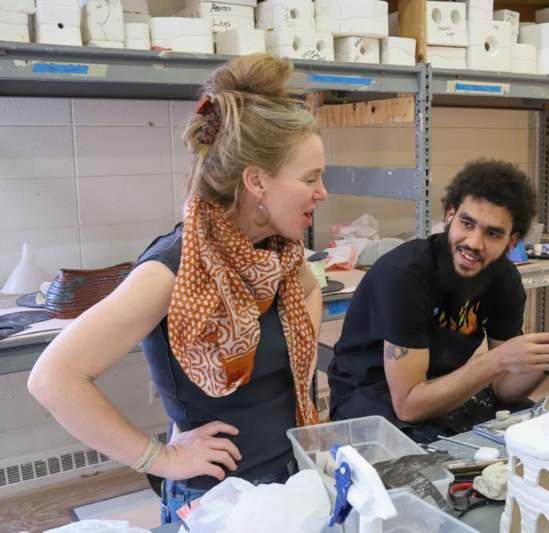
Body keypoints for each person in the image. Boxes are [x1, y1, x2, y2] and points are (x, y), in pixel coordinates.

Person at [27, 53, 328, 524]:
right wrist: (160, 458)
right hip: (219, 505)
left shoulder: (277, 254)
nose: (322, 192)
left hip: (290, 481)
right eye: (310, 179)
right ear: (256, 183)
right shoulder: (173, 268)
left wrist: (297, 357)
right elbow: (53, 379)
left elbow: (309, 292)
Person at [327, 160, 549, 443]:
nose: (475, 243)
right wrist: (495, 361)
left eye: (493, 233)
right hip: (371, 396)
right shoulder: (405, 274)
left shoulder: (504, 280)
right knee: (434, 459)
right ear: (449, 215)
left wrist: (548, 362)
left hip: (439, 387)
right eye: (467, 224)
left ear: (511, 241)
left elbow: (504, 390)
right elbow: (408, 406)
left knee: (527, 430)